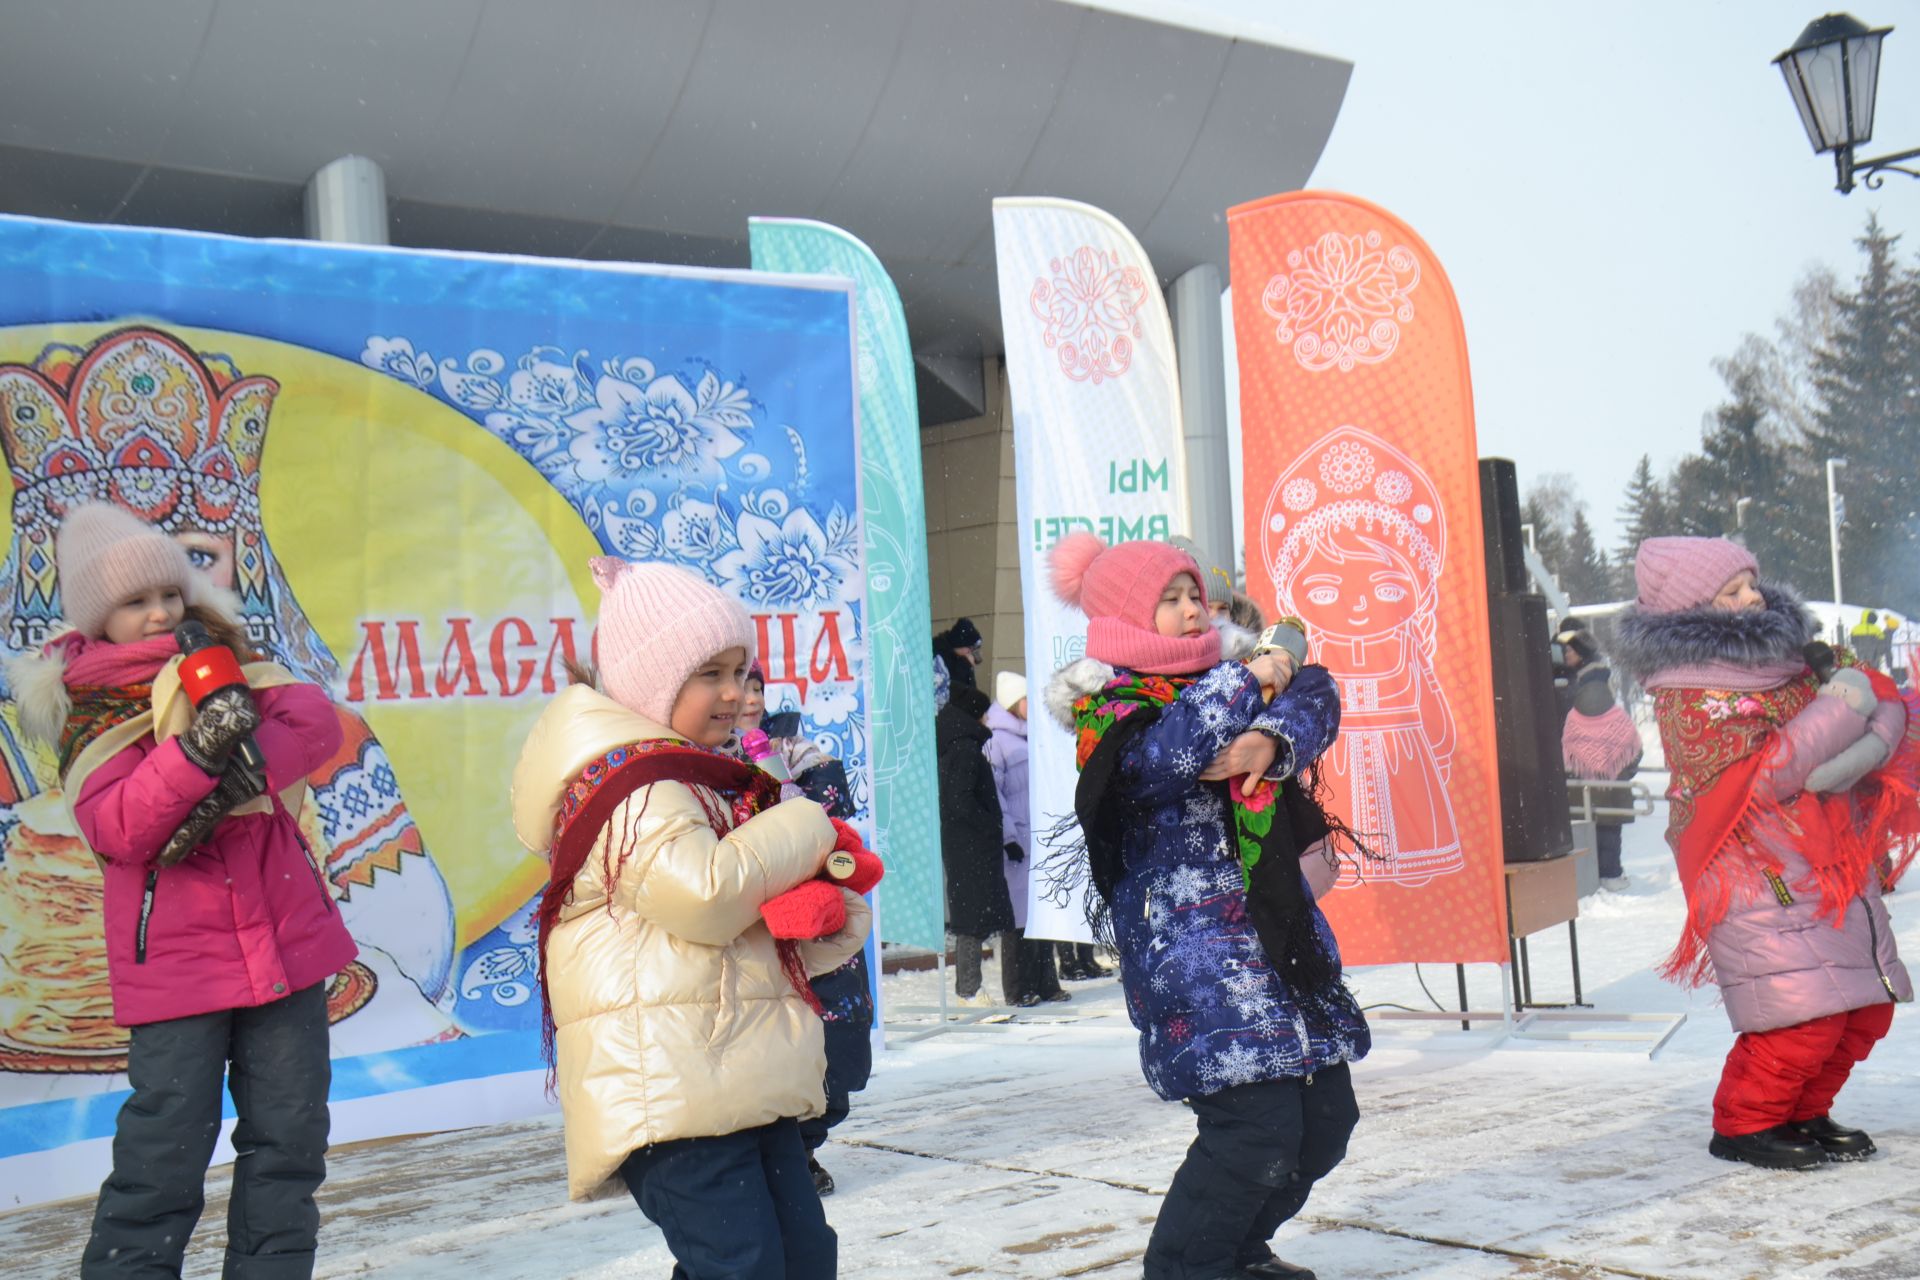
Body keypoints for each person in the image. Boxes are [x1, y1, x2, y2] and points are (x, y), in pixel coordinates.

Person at [7, 503, 354, 1278]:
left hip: (286, 949)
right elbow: (123, 827)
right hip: (178, 968)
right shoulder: (87, 708)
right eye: (135, 603)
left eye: (170, 593)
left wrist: (245, 749)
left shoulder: (230, 660)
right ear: (98, 619)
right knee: (164, 1151)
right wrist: (199, 750)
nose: (161, 612)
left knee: (289, 1142)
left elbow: (313, 721)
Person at [511, 558, 871, 1278]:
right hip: (671, 1086)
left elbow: (754, 938)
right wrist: (804, 819)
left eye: (742, 672)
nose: (736, 695)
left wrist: (826, 917)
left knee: (801, 1259)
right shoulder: (631, 788)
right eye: (712, 673)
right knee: (744, 1266)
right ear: (653, 678)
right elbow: (706, 897)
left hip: (735, 1071)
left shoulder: (698, 778)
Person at [1043, 532, 1367, 1280]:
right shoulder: (1109, 708)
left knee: (1324, 1122)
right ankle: (1187, 1268)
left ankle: (1240, 1250)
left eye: (1195, 595)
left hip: (1277, 937)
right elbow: (1169, 758)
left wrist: (1269, 740)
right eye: (1171, 599)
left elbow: (1317, 692)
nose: (1193, 612)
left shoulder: (1231, 677)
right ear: (1128, 612)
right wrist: (1255, 677)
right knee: (1253, 1132)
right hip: (1193, 957)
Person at [1613, 537, 1913, 1171]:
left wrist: (1870, 723)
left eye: (1751, 581)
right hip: (1756, 872)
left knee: (1864, 1009)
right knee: (1800, 1017)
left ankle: (1803, 1111)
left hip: (1828, 861)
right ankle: (1747, 1124)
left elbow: (1881, 705)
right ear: (1697, 607)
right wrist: (1844, 707)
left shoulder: (1790, 661)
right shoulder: (1689, 692)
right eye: (1733, 591)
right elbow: (1769, 771)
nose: (1753, 596)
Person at [738, 664, 873, 1197]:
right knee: (772, 1045)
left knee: (837, 1044)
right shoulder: (704, 766)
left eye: (755, 687)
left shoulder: (804, 757)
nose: (748, 698)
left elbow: (831, 831)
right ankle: (784, 1157)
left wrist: (783, 783)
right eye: (737, 686)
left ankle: (808, 1144)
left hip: (817, 923)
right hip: (757, 928)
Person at [984, 670, 1065, 1006]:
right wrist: (1008, 837)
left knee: (1043, 915)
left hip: (1042, 837)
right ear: (1013, 703)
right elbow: (995, 795)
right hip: (1018, 841)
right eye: (1026, 699)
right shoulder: (995, 740)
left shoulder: (1036, 736)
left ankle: (1047, 982)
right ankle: (1018, 989)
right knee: (1018, 920)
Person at [937, 683, 1018, 1005]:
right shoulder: (965, 750)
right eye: (983, 714)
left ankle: (968, 989)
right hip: (971, 848)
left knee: (971, 917)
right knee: (971, 920)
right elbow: (961, 801)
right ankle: (968, 992)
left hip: (965, 847)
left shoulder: (954, 746)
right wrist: (990, 824)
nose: (987, 720)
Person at [1554, 625, 1642, 891]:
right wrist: (1620, 769)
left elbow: (1572, 744)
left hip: (1585, 784)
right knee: (1608, 829)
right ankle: (1611, 874)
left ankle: (1597, 875)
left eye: (1570, 650)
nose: (1566, 654)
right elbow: (1632, 747)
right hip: (1610, 783)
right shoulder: (1611, 708)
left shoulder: (1580, 701)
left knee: (1591, 828)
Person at [933, 618, 984, 705]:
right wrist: (965, 665)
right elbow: (952, 687)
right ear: (960, 645)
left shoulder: (962, 658)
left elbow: (971, 690)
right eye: (970, 649)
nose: (971, 653)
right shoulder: (939, 656)